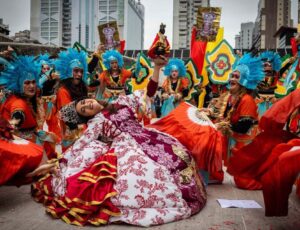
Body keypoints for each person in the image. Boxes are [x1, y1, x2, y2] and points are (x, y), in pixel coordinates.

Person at [30, 57, 207, 227]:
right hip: (128, 148)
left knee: (179, 156)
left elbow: (148, 93)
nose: (87, 106)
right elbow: (81, 145)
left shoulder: (122, 101)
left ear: (90, 98)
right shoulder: (96, 123)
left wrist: (157, 68)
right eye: (83, 110)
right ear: (86, 117)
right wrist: (60, 163)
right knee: (148, 178)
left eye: (84, 102)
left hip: (149, 138)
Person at [205, 53, 264, 190]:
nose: (231, 79)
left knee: (243, 181)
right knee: (211, 136)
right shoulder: (230, 97)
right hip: (235, 138)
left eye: (236, 77)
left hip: (245, 142)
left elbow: (243, 126)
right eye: (231, 76)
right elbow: (220, 114)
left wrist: (223, 125)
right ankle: (214, 173)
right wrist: (207, 113)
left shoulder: (247, 100)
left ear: (244, 81)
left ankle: (267, 182)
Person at [54, 48, 89, 152]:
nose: (79, 74)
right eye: (76, 71)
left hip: (84, 131)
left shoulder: (81, 88)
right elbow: (67, 113)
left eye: (81, 72)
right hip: (72, 133)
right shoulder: (63, 91)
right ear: (69, 72)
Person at [256, 51, 282, 117]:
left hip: (272, 102)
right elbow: (252, 88)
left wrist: (290, 61)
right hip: (260, 103)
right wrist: (258, 98)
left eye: (270, 65)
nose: (268, 67)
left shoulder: (275, 76)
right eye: (265, 65)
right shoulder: (257, 76)